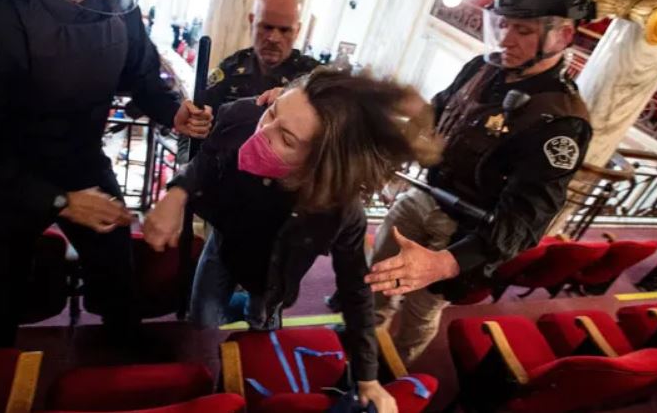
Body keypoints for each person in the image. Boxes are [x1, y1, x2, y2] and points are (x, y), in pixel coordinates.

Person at [0, 0, 212, 347]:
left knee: (120, 287)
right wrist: (59, 201)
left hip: (79, 160)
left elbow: (140, 74)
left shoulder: (118, 0)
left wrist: (172, 110)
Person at [144, 68, 443, 413]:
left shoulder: (341, 212)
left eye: (286, 139)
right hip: (226, 244)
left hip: (274, 277)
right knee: (203, 321)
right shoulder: (244, 114)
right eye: (272, 112)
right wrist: (177, 193)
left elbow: (355, 290)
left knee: (261, 333)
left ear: (320, 165)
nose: (261, 131)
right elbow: (208, 159)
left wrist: (367, 376)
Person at [363, 0, 596, 365]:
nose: (506, 39)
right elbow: (437, 114)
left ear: (563, 35)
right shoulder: (481, 68)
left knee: (420, 311)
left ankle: (390, 368)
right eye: (503, 25)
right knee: (377, 278)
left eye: (523, 31)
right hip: (422, 197)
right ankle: (363, 335)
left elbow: (525, 220)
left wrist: (445, 262)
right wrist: (392, 148)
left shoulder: (560, 120)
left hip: (462, 230)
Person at [177, 0, 319, 162]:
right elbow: (195, 120)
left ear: (297, 30)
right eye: (266, 27)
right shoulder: (231, 68)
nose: (274, 38)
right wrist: (187, 163)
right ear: (252, 21)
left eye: (284, 30)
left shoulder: (313, 78)